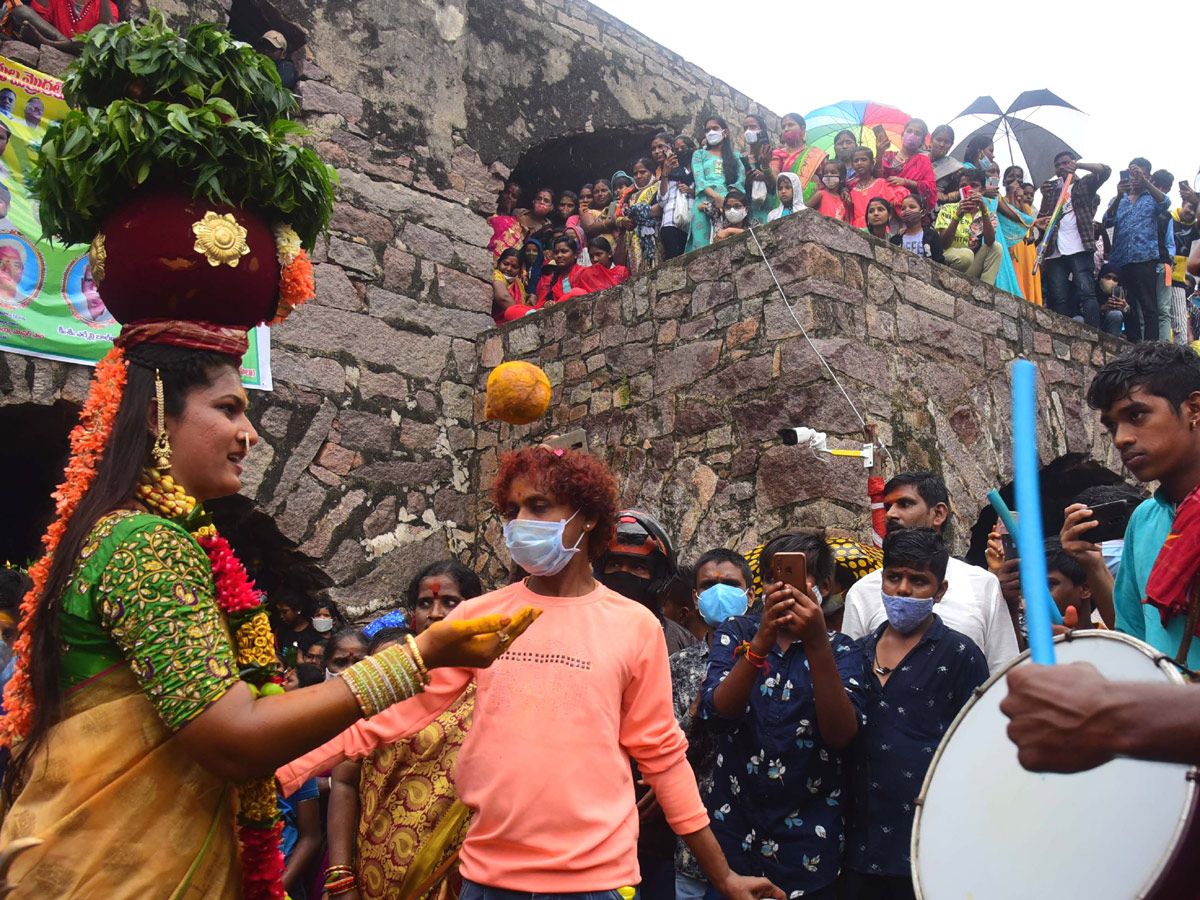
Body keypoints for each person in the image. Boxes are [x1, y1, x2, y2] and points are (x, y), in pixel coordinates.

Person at [279, 446, 784, 900]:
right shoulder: (479, 617)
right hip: (488, 881)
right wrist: (288, 769)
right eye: (511, 511)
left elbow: (663, 757)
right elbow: (396, 713)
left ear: (588, 518)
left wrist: (723, 877)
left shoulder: (634, 626)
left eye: (538, 507)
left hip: (597, 884)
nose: (520, 522)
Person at [700, 532, 864, 899]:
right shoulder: (737, 632)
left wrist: (818, 641)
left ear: (823, 586)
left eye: (794, 573)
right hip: (734, 843)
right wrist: (761, 641)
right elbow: (715, 715)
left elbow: (842, 734)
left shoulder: (843, 649)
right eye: (774, 577)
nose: (783, 585)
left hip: (808, 850)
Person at [325, 561, 485, 900]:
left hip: (463, 876)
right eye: (425, 603)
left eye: (450, 602)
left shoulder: (493, 686)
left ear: (475, 609)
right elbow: (343, 779)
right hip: (375, 874)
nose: (436, 614)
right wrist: (340, 877)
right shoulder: (384, 683)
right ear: (412, 614)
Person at [845, 528, 988, 900]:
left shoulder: (961, 654)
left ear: (939, 591)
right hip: (856, 839)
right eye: (894, 577)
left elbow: (977, 747)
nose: (903, 589)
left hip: (930, 839)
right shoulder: (854, 654)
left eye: (918, 580)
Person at [1057, 344, 1200, 669]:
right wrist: (1091, 565)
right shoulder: (1145, 520)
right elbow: (1135, 636)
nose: (1121, 438)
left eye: (1136, 415)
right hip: (1164, 715)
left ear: (1194, 408)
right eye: (1112, 426)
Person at [843, 472, 1019, 674]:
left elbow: (1003, 673)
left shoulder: (983, 584)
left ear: (938, 514)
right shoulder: (862, 591)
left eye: (905, 504)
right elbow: (851, 678)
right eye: (887, 507)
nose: (890, 514)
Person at [670, 549, 756, 900]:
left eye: (730, 584)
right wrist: (697, 712)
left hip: (757, 845)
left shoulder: (772, 660)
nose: (719, 591)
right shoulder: (680, 665)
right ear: (696, 597)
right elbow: (668, 752)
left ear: (749, 595)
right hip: (695, 849)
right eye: (708, 584)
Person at [1036, 151, 1110, 327]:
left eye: (1065, 163)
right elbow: (1043, 217)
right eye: (1058, 165)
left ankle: (1094, 333)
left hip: (1080, 244)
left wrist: (1080, 166)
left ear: (1073, 163)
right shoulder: (1053, 188)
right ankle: (1064, 335)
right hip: (1055, 248)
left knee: (1087, 293)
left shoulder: (1083, 184)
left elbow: (1105, 171)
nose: (1061, 167)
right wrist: (1045, 197)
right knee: (1058, 296)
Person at [1103, 158, 1171, 341]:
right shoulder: (1119, 199)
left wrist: (1146, 182)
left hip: (1144, 258)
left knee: (1149, 305)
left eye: (1139, 174)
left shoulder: (1152, 198)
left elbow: (1166, 203)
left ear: (1148, 175)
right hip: (1120, 259)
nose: (1134, 178)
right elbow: (1107, 220)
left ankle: (1150, 347)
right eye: (1132, 174)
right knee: (1126, 304)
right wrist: (1118, 195)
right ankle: (1132, 344)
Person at [935, 168, 1003, 286]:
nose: (969, 190)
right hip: (949, 261)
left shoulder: (988, 215)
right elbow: (943, 244)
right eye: (964, 186)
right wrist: (957, 216)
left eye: (974, 185)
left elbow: (990, 241)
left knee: (996, 247)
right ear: (959, 190)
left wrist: (984, 212)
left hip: (970, 269)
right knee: (966, 255)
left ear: (983, 190)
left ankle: (986, 290)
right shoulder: (948, 208)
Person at [691, 116, 746, 251]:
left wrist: (727, 201)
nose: (711, 132)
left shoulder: (736, 157)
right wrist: (716, 197)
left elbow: (740, 180)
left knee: (726, 243)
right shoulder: (699, 154)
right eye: (707, 130)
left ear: (725, 132)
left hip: (729, 205)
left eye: (715, 128)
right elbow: (700, 180)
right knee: (701, 245)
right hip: (704, 200)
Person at [997, 165, 1045, 305]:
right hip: (1012, 246)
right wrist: (1012, 195)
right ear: (1004, 181)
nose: (1015, 179)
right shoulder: (1001, 201)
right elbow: (1012, 220)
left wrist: (1021, 199)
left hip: (1027, 249)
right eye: (1011, 176)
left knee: (1028, 281)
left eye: (1018, 176)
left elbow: (1027, 224)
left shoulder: (1026, 205)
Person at [877, 118, 937, 213]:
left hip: (908, 211)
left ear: (922, 141)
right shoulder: (887, 156)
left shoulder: (923, 160)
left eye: (917, 133)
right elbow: (877, 179)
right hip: (883, 208)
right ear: (903, 134)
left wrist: (906, 182)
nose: (912, 135)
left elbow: (931, 189)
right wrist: (879, 154)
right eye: (909, 131)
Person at [769, 112, 827, 204]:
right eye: (783, 127)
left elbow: (826, 181)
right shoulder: (778, 153)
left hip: (812, 205)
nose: (786, 129)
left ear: (802, 129)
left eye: (790, 125)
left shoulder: (816, 154)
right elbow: (775, 180)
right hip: (783, 203)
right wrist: (765, 167)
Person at [618, 157, 661, 275]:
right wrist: (623, 221)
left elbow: (661, 208)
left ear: (652, 172)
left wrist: (639, 213)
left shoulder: (659, 188)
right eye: (635, 173)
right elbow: (620, 215)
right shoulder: (630, 196)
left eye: (643, 172)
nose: (638, 176)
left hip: (652, 237)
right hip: (631, 240)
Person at [652, 132, 690, 261]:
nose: (657, 151)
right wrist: (665, 175)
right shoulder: (662, 173)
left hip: (689, 223)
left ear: (670, 147)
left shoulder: (688, 169)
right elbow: (662, 201)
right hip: (670, 222)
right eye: (653, 149)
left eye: (660, 147)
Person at [1171, 187, 1199, 342]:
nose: (1192, 213)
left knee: (1180, 320)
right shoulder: (1168, 219)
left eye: (1196, 210)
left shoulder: (1194, 228)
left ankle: (1181, 353)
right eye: (1190, 207)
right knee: (1159, 315)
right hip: (1161, 274)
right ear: (1183, 203)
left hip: (1179, 281)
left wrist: (1197, 203)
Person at [741, 114, 776, 225]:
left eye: (752, 127)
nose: (748, 131)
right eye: (745, 128)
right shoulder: (741, 158)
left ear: (762, 130)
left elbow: (776, 182)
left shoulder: (774, 155)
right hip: (750, 210)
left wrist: (764, 174)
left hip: (770, 207)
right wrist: (747, 180)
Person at [889, 193, 944, 263]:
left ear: (923, 212)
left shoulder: (931, 236)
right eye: (903, 208)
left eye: (912, 207)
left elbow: (940, 262)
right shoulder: (895, 240)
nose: (907, 210)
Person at [535, 234, 582, 306]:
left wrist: (556, 304)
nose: (559, 255)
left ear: (575, 254)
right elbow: (540, 305)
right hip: (556, 314)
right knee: (513, 310)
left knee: (576, 292)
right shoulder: (548, 279)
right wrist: (547, 304)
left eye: (564, 251)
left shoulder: (584, 272)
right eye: (556, 252)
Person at [491, 248, 535, 325]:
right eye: (505, 264)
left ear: (520, 269)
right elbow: (503, 298)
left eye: (514, 267)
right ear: (499, 263)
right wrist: (522, 315)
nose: (508, 269)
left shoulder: (517, 282)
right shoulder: (496, 275)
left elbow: (524, 295)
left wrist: (531, 295)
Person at [928, 125, 963, 208]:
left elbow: (966, 190)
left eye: (947, 142)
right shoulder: (918, 157)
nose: (942, 144)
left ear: (951, 144)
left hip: (935, 208)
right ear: (931, 139)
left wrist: (947, 197)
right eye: (938, 139)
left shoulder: (954, 167)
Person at [1096, 262, 1129, 338]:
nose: (1111, 281)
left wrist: (1126, 308)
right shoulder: (1092, 289)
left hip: (1112, 330)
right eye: (1108, 277)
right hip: (1093, 327)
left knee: (1116, 314)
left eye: (1115, 279)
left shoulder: (1122, 293)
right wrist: (1102, 308)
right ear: (1101, 276)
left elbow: (1132, 320)